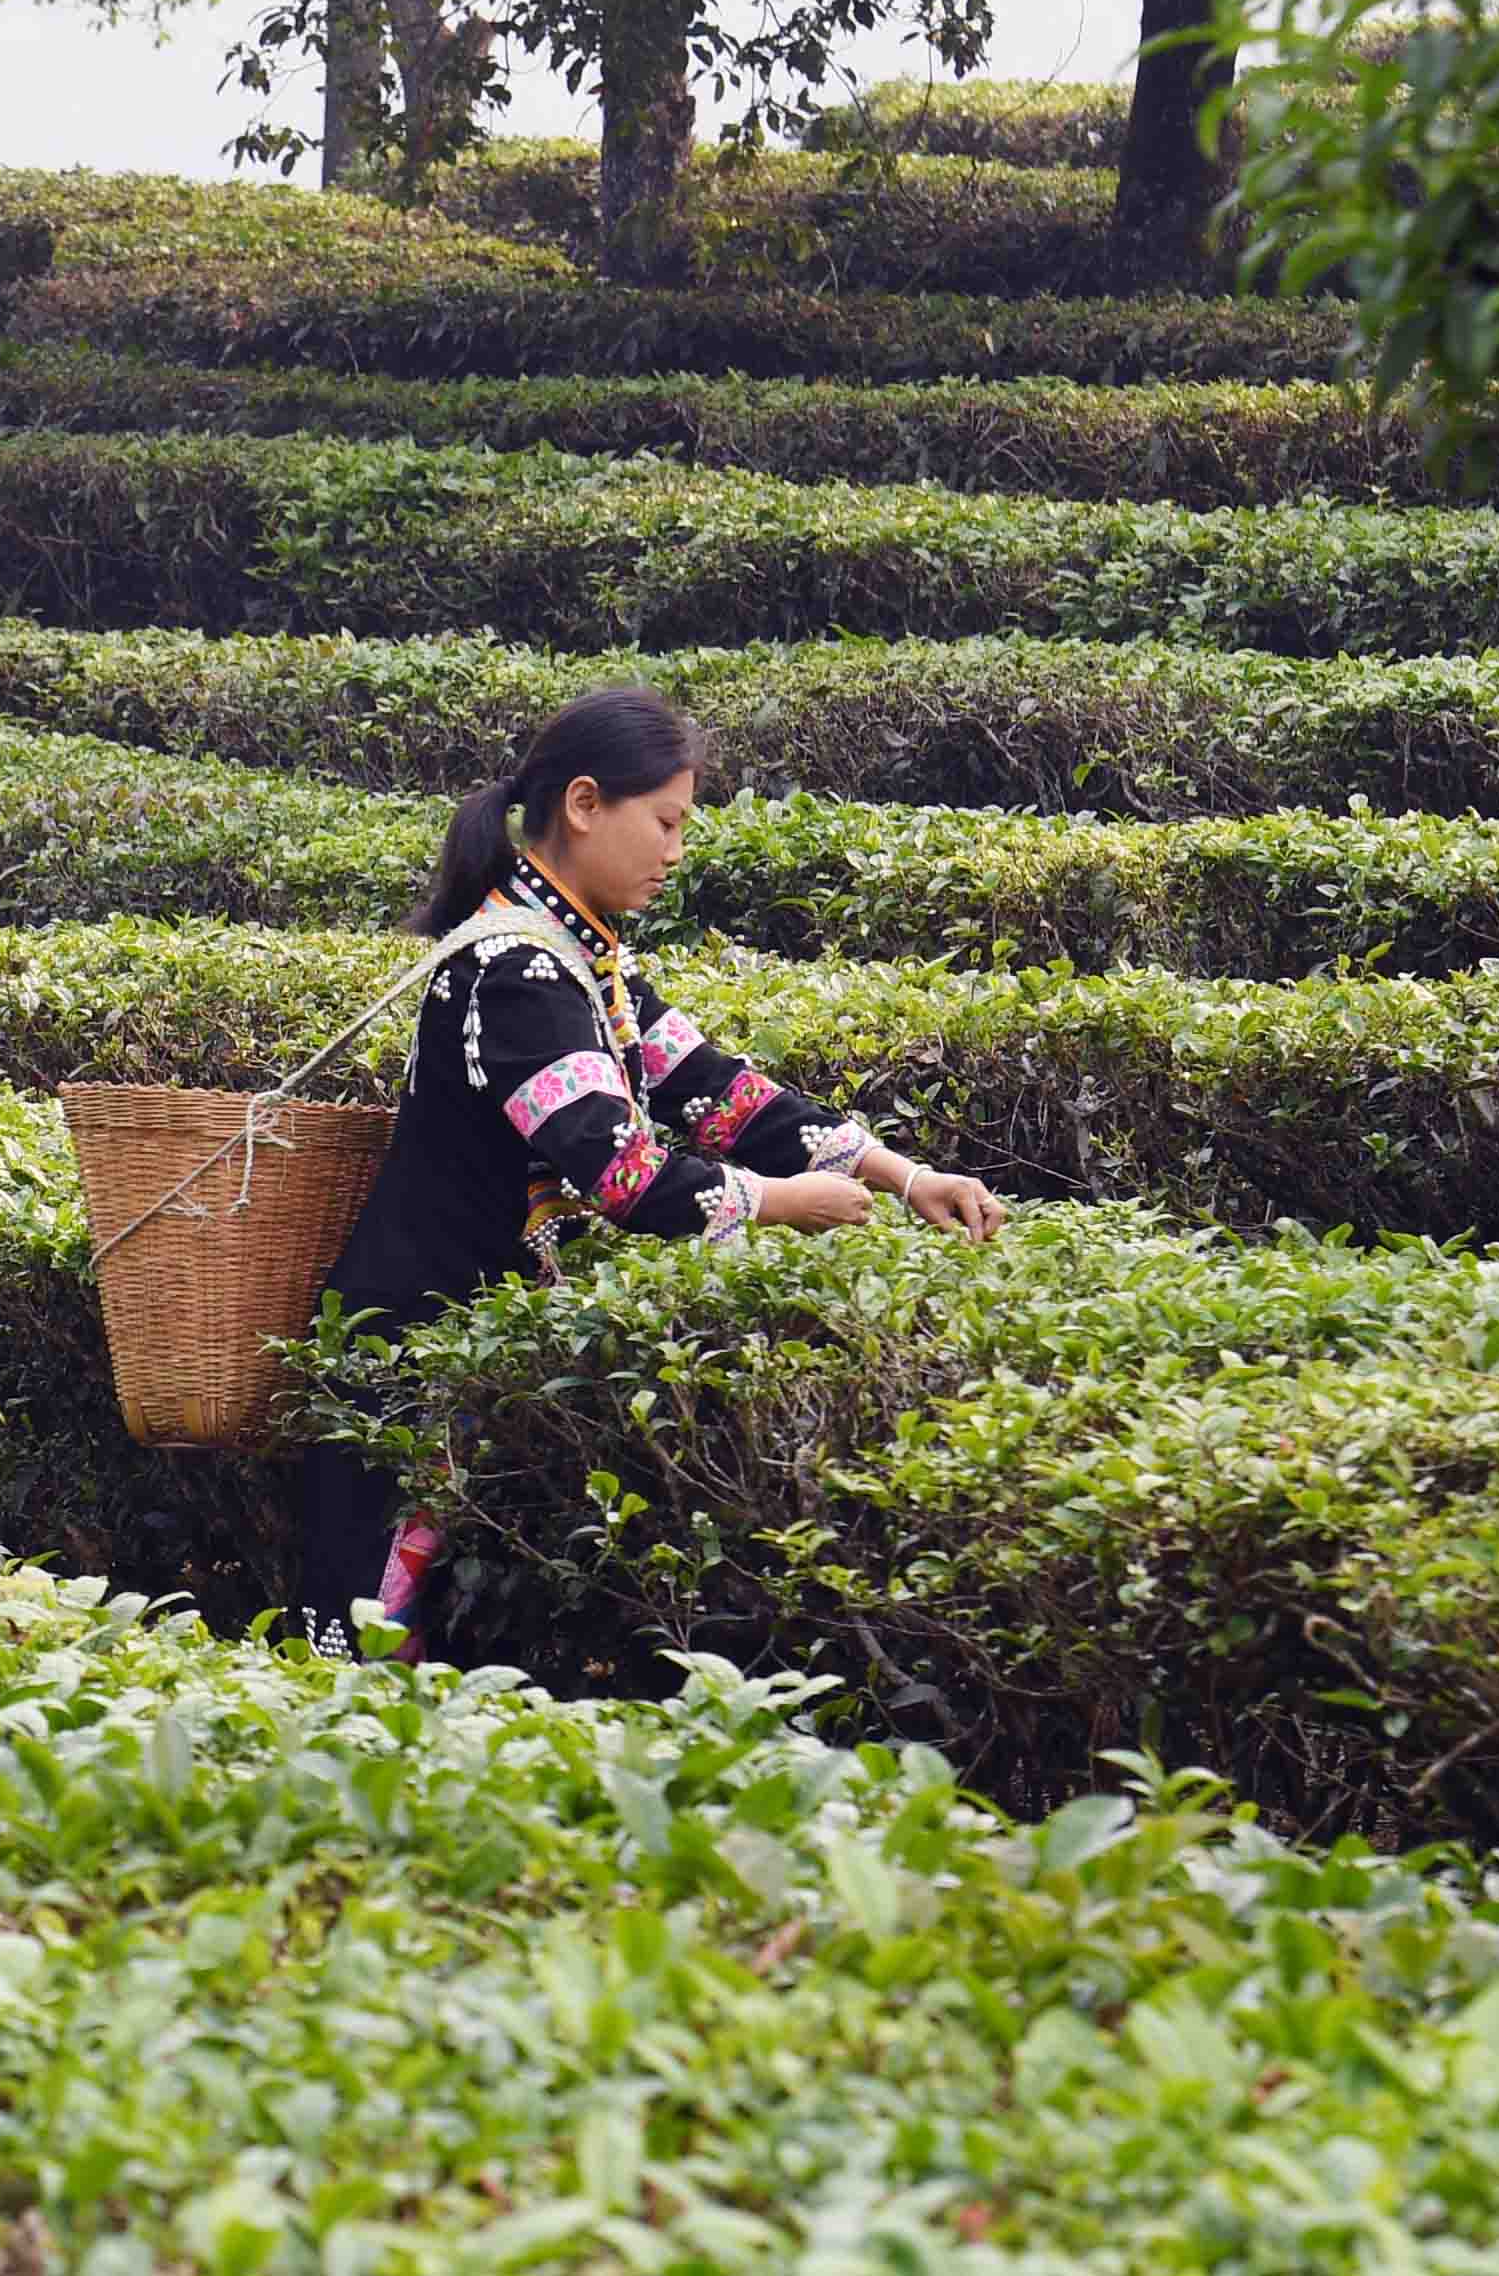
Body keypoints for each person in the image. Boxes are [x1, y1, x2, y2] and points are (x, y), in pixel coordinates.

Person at [292, 685, 1006, 1651]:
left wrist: (901, 1174)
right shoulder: (522, 971)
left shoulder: (587, 961)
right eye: (665, 822)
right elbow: (623, 1175)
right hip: (411, 1351)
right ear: (585, 805)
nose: (676, 852)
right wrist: (783, 1204)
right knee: (369, 1646)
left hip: (460, 1347)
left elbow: (717, 1091)